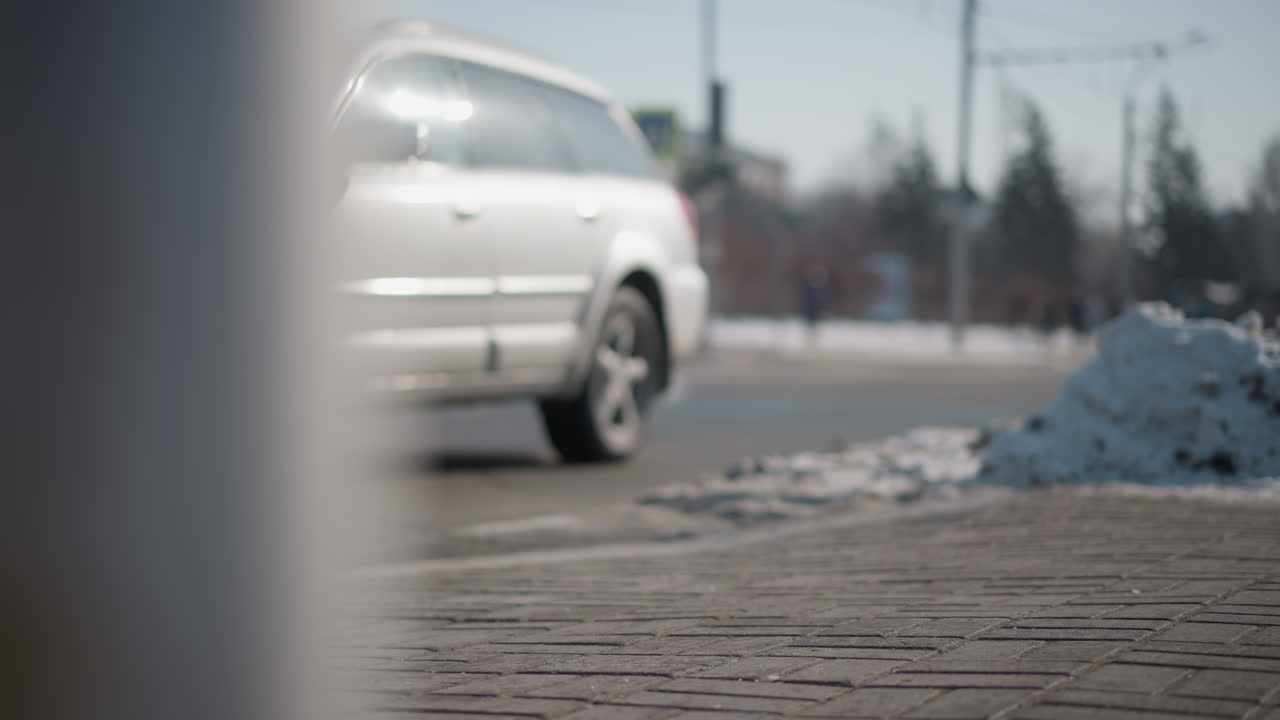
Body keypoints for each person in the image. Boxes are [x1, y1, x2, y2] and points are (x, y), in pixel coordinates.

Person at [802, 265, 829, 345]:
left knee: (816, 323)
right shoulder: (809, 286)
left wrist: (822, 307)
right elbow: (806, 298)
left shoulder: (822, 287)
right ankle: (809, 337)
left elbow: (822, 300)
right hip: (810, 308)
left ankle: (815, 337)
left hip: (816, 308)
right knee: (810, 323)